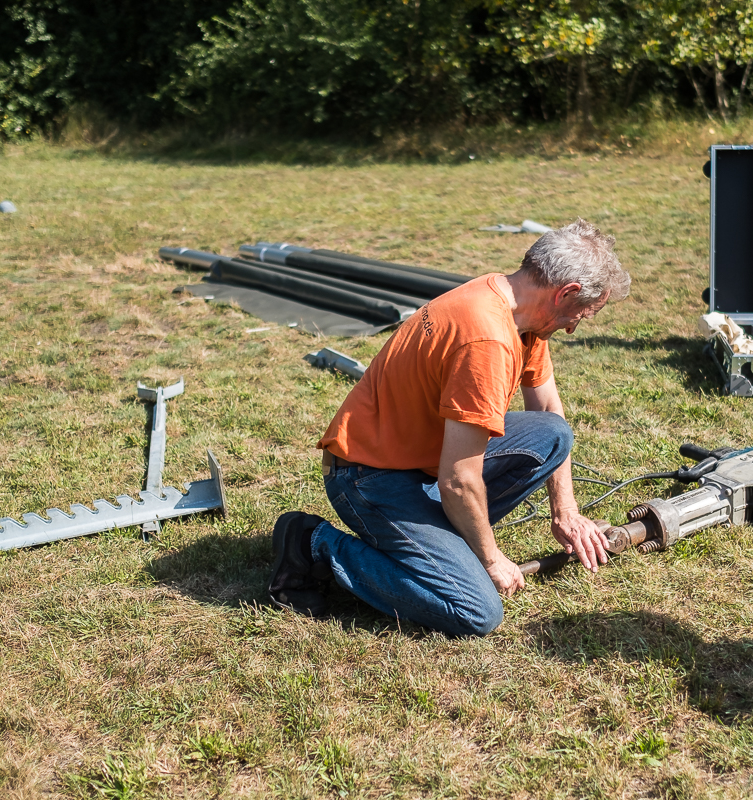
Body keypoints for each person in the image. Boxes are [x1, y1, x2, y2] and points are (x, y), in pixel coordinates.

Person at [268, 218, 631, 636]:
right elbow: (458, 480)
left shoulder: (513, 305)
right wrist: (491, 559)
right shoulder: (487, 339)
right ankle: (315, 543)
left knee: (553, 435)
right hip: (367, 477)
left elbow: (548, 408)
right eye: (580, 314)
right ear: (563, 292)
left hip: (422, 465)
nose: (573, 325)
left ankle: (431, 545)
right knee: (475, 610)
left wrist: (566, 512)